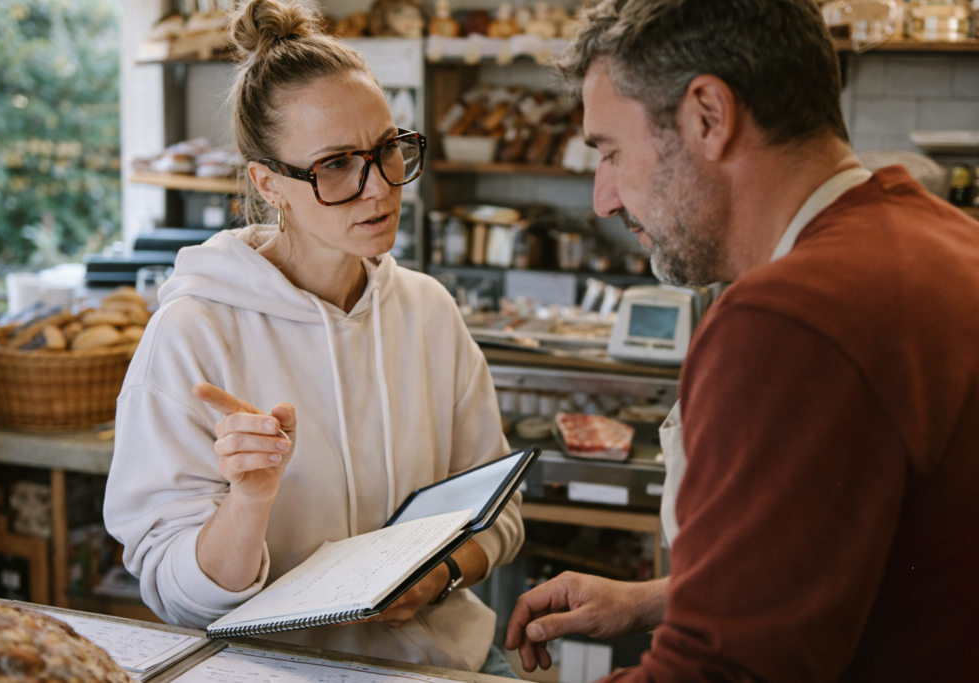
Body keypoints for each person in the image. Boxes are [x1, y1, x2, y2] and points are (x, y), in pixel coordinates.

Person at [505, 0, 979, 680]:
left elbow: (723, 673)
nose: (603, 199)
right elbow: (880, 554)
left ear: (708, 116)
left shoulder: (789, 318)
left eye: (611, 151)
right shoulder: (945, 239)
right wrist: (668, 598)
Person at [103, 0, 522, 675]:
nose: (379, 187)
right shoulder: (193, 333)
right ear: (270, 184)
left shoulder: (429, 312)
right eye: (335, 165)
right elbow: (176, 597)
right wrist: (250, 500)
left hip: (446, 664)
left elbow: (500, 515)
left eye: (388, 149)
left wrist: (439, 574)